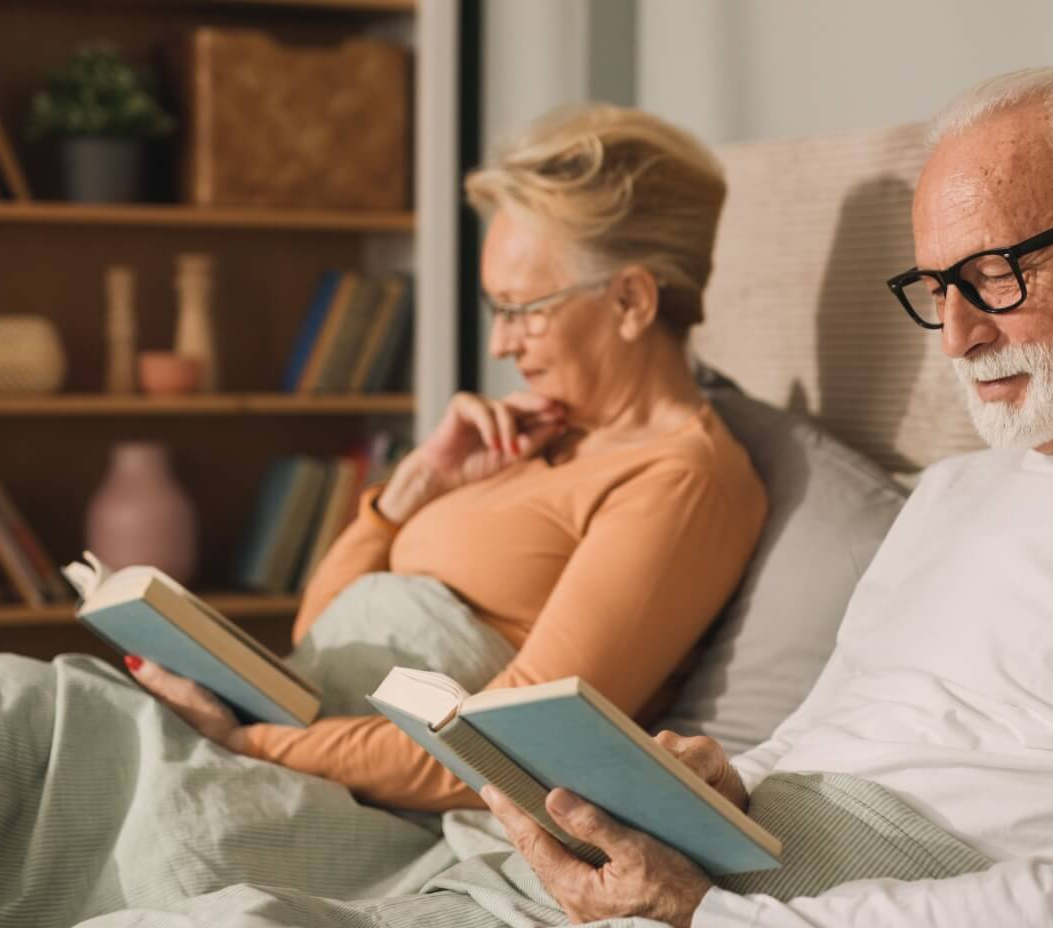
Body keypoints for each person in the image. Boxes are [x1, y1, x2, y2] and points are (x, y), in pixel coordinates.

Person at [478, 68, 1053, 928]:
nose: (957, 337)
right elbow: (821, 732)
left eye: (995, 275)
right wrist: (722, 780)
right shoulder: (954, 489)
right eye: (937, 287)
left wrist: (710, 914)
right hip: (752, 881)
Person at [129, 104, 768, 813]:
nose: (499, 346)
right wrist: (416, 484)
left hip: (354, 793)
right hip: (303, 744)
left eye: (524, 309)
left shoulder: (678, 480)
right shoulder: (535, 433)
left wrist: (249, 745)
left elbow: (505, 749)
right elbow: (318, 633)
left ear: (630, 300)